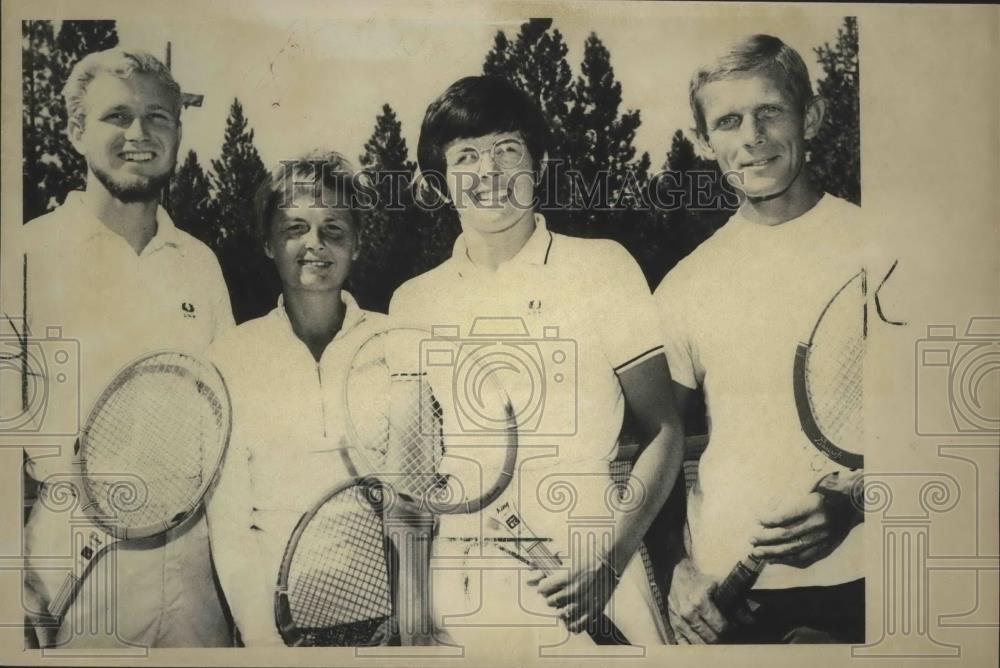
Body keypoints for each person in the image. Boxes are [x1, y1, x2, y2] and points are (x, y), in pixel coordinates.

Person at [389, 75, 684, 656]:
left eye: (507, 150)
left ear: (540, 162)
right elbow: (411, 478)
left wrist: (609, 560)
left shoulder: (603, 268)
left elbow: (664, 430)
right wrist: (414, 611)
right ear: (439, 181)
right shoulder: (414, 301)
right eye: (466, 156)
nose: (489, 172)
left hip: (595, 573)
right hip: (464, 587)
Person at [7, 48, 235, 648]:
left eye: (157, 117)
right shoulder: (24, 259)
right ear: (78, 130)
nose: (139, 134)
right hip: (68, 584)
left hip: (195, 585)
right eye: (118, 117)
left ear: (178, 133)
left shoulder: (201, 265)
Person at [654, 34, 865, 644]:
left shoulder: (883, 250)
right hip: (728, 604)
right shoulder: (686, 282)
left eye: (770, 111)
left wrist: (855, 505)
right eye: (728, 121)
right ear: (705, 142)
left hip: (868, 584)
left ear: (813, 116)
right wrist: (677, 568)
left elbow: (941, 434)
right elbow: (662, 445)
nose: (752, 136)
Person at [206, 152, 385, 646]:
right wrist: (265, 641)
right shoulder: (231, 356)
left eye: (333, 228)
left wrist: (411, 626)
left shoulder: (396, 345)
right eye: (295, 228)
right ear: (268, 243)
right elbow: (230, 524)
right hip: (281, 635)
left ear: (357, 242)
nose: (315, 245)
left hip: (390, 630)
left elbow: (416, 511)